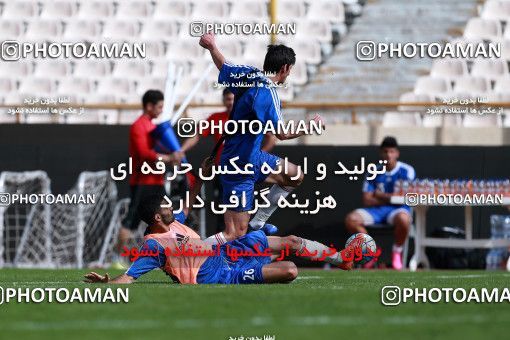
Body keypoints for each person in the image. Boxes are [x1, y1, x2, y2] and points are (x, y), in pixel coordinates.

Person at [84, 158, 362, 285]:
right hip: (218, 276)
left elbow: (189, 202)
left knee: (291, 241)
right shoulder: (155, 245)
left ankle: (342, 260)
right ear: (157, 217)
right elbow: (130, 277)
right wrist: (107, 284)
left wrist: (202, 177)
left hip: (225, 252)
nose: (172, 207)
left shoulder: (173, 222)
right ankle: (262, 257)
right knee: (289, 270)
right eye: (166, 206)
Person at [198, 32, 324, 245]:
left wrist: (212, 47)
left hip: (252, 157)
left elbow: (224, 66)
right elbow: (281, 134)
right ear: (284, 69)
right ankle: (186, 253)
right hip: (238, 166)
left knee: (295, 175)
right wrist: (310, 126)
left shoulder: (248, 74)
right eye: (290, 70)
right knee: (234, 234)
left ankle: (258, 223)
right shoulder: (269, 93)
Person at [114, 90, 184, 269]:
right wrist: (169, 158)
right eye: (159, 107)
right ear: (149, 106)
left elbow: (161, 150)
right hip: (142, 181)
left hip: (156, 181)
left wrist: (173, 155)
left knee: (166, 218)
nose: (161, 110)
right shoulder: (138, 126)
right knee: (132, 218)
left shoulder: (154, 128)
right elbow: (144, 153)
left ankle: (168, 256)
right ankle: (117, 258)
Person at [344, 136, 415, 270]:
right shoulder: (373, 171)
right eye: (385, 152)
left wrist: (379, 195)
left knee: (404, 219)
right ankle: (372, 251)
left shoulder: (407, 170)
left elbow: (402, 197)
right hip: (376, 210)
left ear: (397, 153)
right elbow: (367, 199)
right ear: (381, 153)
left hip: (397, 210)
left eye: (392, 152)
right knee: (351, 220)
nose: (388, 155)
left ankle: (397, 251)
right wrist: (390, 198)